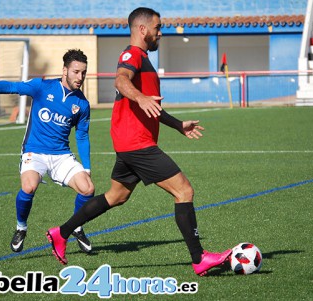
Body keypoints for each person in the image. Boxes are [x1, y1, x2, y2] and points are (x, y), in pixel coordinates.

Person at [46, 8, 231, 276]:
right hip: (136, 143)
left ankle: (61, 233)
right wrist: (140, 97)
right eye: (158, 27)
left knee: (116, 196)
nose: (160, 32)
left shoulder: (143, 58)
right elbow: (121, 80)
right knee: (184, 191)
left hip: (129, 142)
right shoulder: (132, 54)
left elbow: (151, 106)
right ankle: (199, 258)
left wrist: (177, 124)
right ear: (143, 29)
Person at [0, 49, 95, 254]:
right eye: (76, 72)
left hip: (61, 155)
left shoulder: (82, 104)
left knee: (88, 189)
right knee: (29, 187)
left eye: (83, 73)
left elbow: (82, 136)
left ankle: (77, 227)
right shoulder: (42, 86)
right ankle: (21, 228)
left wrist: (86, 167)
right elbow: (12, 87)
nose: (80, 77)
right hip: (35, 151)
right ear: (64, 71)